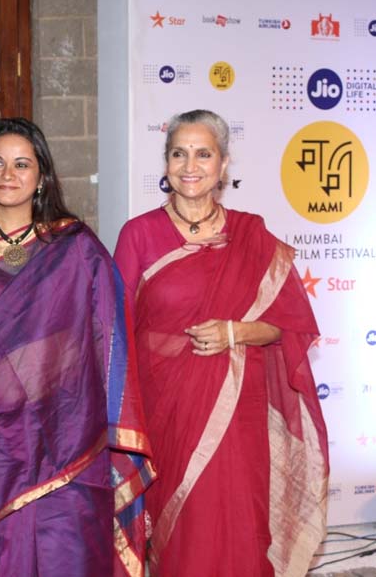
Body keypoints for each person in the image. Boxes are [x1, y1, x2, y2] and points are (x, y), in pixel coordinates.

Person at [113, 109, 328, 576]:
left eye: (203, 153)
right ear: (166, 163)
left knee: (236, 524)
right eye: (179, 153)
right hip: (164, 412)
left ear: (224, 164)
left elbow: (288, 324)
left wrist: (235, 331)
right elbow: (115, 331)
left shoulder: (251, 233)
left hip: (237, 413)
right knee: (181, 536)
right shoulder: (139, 235)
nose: (191, 166)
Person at [0, 118, 155, 577]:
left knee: (64, 551)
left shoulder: (74, 247)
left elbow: (109, 337)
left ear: (42, 175)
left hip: (66, 433)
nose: (8, 174)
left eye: (22, 164)